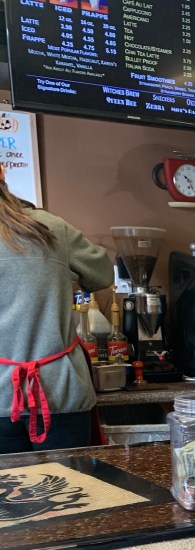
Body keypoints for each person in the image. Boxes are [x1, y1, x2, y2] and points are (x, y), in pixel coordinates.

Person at [0, 166, 113, 453]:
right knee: (70, 481)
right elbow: (102, 274)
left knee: (8, 483)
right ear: (2, 172)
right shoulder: (52, 227)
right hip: (61, 390)